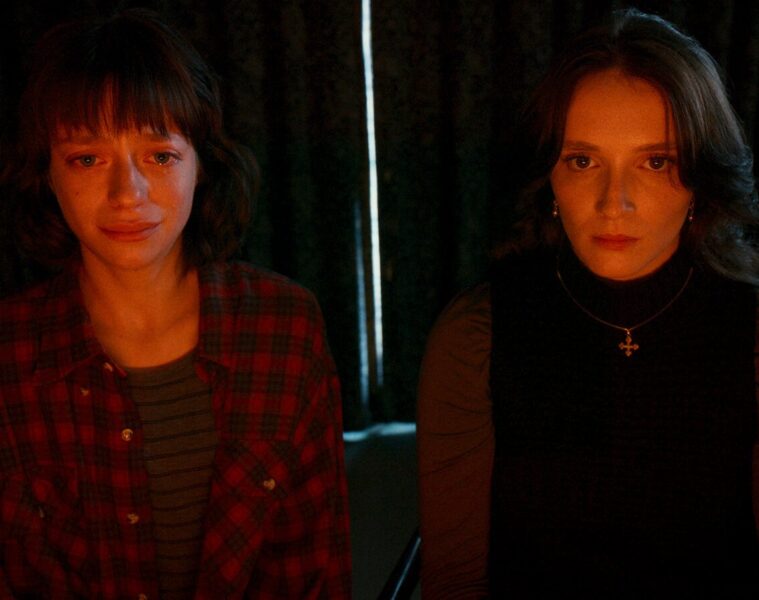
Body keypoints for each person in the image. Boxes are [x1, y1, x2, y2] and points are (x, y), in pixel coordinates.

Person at [0, 9, 351, 599]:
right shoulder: (9, 353)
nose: (127, 194)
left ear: (200, 165)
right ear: (49, 175)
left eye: (159, 155)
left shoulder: (285, 327)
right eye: (88, 158)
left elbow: (316, 572)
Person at [417, 8, 759, 598]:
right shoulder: (477, 336)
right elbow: (458, 581)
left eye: (655, 162)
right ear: (550, 177)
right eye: (583, 161)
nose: (613, 201)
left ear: (700, 180)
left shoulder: (748, 335)